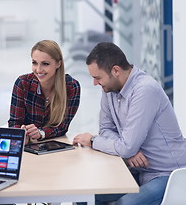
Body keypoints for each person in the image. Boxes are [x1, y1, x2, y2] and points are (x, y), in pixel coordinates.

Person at [73, 42, 186, 205]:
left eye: (98, 78)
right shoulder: (109, 88)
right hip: (137, 171)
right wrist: (128, 150)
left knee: (124, 204)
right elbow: (106, 130)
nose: (95, 83)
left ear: (116, 70)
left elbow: (125, 146)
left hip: (168, 174)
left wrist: (92, 141)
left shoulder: (145, 90)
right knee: (82, 197)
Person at [8, 40, 81, 144]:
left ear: (58, 64)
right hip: (27, 145)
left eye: (45, 64)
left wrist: (40, 133)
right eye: (34, 63)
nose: (38, 69)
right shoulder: (22, 83)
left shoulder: (71, 87)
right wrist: (20, 133)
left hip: (54, 144)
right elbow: (14, 122)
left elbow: (62, 127)